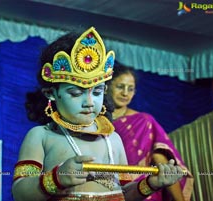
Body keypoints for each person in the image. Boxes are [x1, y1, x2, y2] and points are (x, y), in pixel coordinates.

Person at [12, 27, 185, 201]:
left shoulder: (113, 140)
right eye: (75, 93)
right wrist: (56, 179)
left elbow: (124, 195)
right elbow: (19, 194)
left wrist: (151, 184)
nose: (89, 102)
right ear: (51, 93)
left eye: (97, 92)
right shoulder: (41, 136)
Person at [106, 61, 194, 201]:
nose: (125, 93)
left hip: (143, 190)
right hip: (106, 188)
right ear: (107, 86)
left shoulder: (144, 121)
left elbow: (160, 158)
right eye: (120, 87)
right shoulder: (96, 120)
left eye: (131, 89)